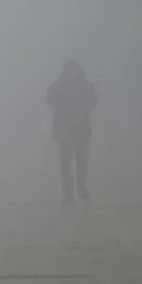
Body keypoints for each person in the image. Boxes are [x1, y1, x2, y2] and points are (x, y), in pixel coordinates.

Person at [46, 59, 97, 203]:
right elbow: (94, 101)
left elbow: (50, 101)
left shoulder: (59, 84)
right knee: (79, 162)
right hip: (78, 128)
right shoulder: (82, 84)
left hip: (66, 129)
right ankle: (80, 191)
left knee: (67, 163)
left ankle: (70, 193)